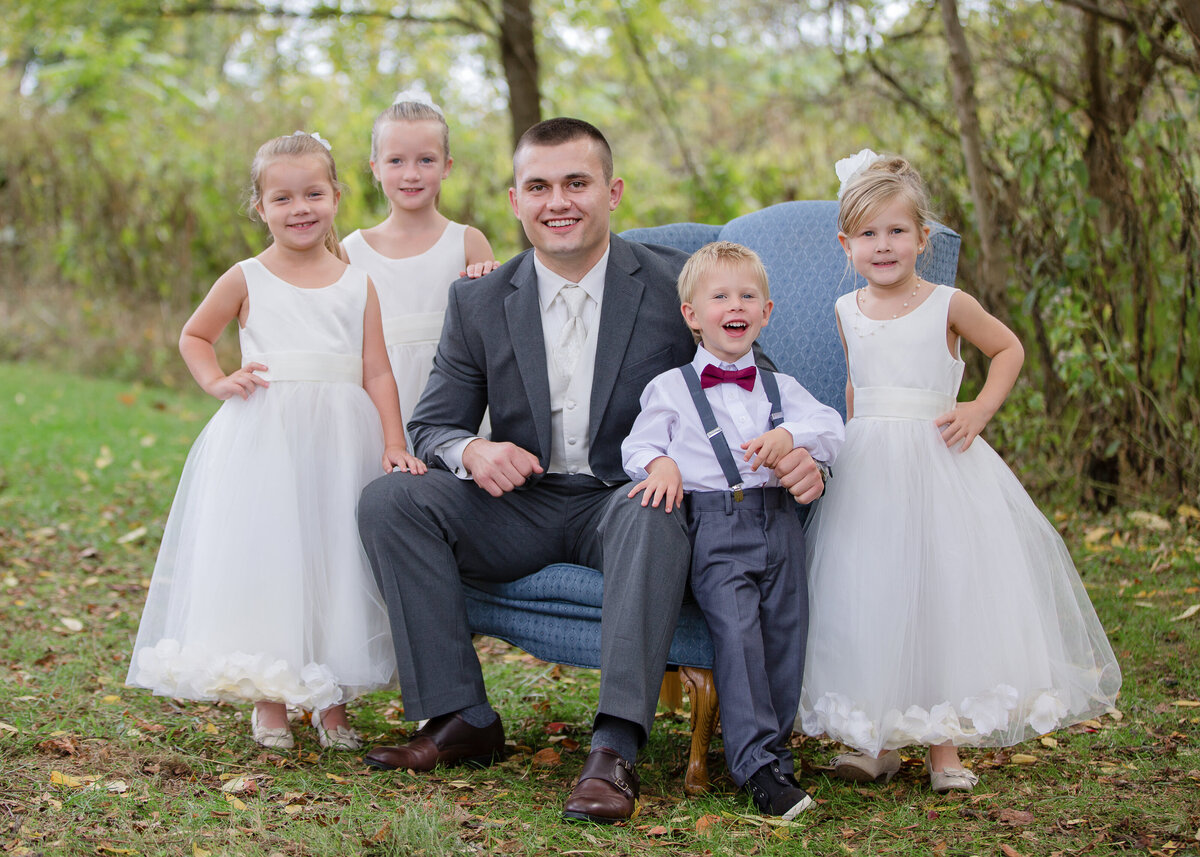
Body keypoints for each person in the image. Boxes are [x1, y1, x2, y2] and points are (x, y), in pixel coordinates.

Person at [356, 118, 827, 823]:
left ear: (612, 192)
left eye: (577, 183)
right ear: (515, 200)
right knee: (391, 500)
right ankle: (458, 716)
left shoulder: (675, 282)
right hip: (520, 500)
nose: (559, 202)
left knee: (654, 506)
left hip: (624, 498)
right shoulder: (479, 299)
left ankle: (614, 748)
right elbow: (432, 423)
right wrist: (473, 451)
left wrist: (799, 450)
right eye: (539, 186)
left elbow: (755, 381)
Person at [798, 152, 1122, 793]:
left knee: (938, 594)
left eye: (897, 231)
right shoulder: (846, 310)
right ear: (846, 244)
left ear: (923, 237)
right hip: (870, 471)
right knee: (872, 592)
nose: (883, 245)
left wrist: (978, 407)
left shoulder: (947, 302)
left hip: (938, 463)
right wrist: (845, 450)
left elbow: (1008, 348)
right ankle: (877, 738)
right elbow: (857, 389)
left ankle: (944, 750)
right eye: (868, 234)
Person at [127, 131, 426, 752]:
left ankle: (331, 699)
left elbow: (376, 370)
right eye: (283, 198)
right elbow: (194, 335)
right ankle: (271, 695)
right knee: (276, 558)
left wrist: (394, 441)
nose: (300, 209)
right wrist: (216, 379)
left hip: (343, 439)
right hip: (268, 437)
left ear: (337, 196)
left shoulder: (356, 284)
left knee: (338, 557)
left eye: (313, 193)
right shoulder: (246, 277)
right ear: (260, 207)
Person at [621, 241, 844, 818]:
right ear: (692, 315)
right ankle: (756, 771)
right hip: (715, 528)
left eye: (747, 295)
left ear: (765, 313)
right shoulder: (669, 388)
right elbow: (638, 445)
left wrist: (792, 438)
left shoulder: (780, 387)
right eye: (719, 296)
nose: (734, 304)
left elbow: (831, 425)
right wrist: (661, 464)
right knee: (740, 638)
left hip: (780, 522)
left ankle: (778, 754)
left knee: (786, 636)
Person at [341, 94, 498, 439]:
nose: (411, 174)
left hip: (453, 395)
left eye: (426, 160)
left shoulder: (468, 241)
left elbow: (488, 331)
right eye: (396, 160)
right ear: (375, 168)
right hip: (377, 402)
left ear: (447, 166)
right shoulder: (351, 251)